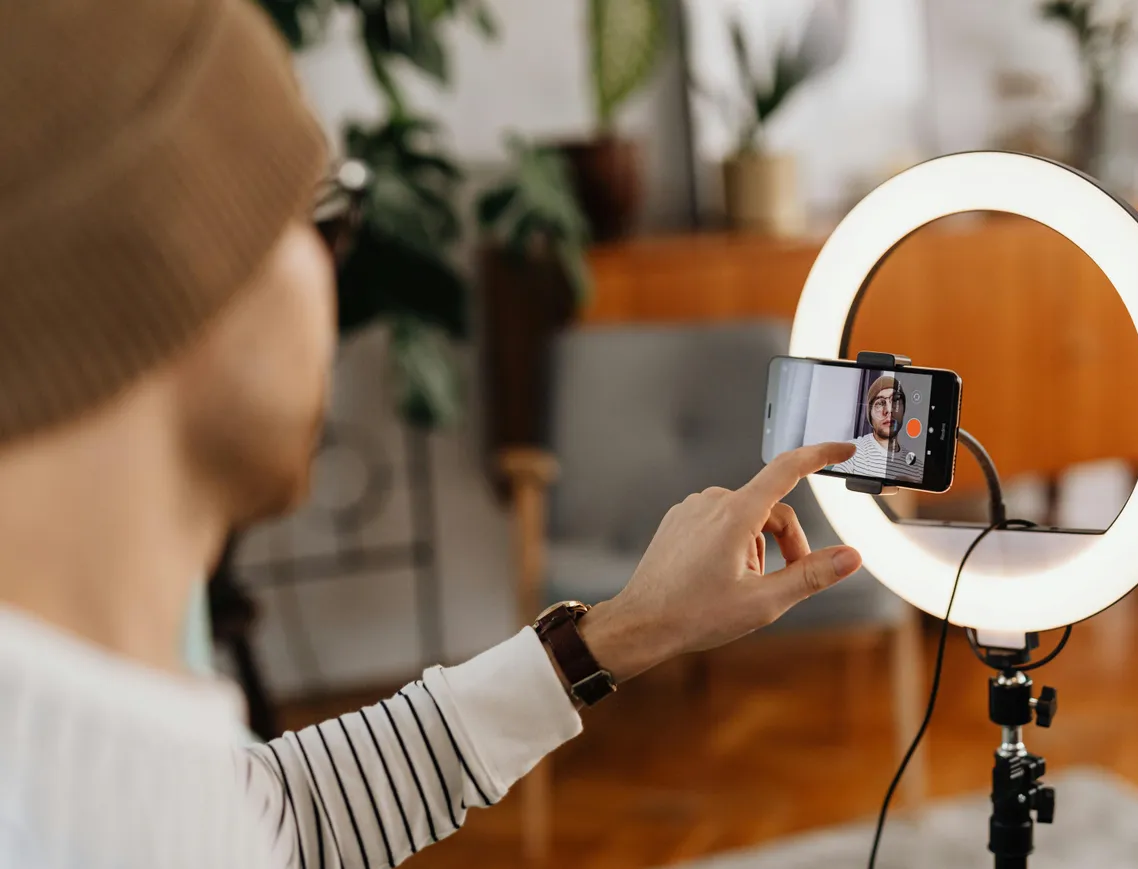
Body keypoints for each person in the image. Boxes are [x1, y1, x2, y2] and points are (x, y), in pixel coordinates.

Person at [0, 1, 867, 867]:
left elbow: (279, 817)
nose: (332, 276)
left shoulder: (98, 770)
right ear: (174, 273)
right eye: (323, 213)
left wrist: (623, 631)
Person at [830, 375, 924, 484]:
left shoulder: (917, 467)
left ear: (904, 410)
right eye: (879, 403)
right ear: (870, 414)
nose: (889, 410)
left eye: (895, 401)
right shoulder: (851, 452)